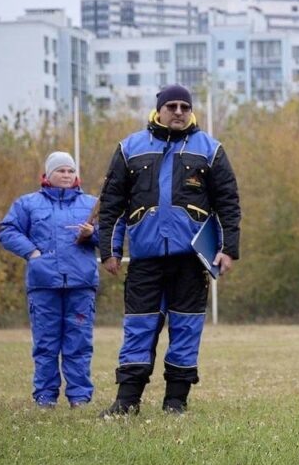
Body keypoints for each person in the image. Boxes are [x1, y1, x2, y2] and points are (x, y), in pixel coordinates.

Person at [96, 84, 241, 416]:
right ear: (158, 110)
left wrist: (228, 249)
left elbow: (229, 205)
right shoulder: (129, 148)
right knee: (139, 328)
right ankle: (127, 401)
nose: (178, 111)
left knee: (186, 329)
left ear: (191, 111)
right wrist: (110, 250)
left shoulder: (211, 149)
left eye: (184, 107)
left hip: (191, 262)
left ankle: (176, 401)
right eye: (172, 106)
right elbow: (112, 207)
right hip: (145, 262)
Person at [0, 152, 99, 409]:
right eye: (60, 171)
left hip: (80, 284)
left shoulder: (92, 204)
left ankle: (80, 398)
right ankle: (45, 398)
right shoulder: (28, 204)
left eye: (70, 171)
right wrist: (32, 252)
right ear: (48, 174)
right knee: (45, 344)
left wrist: (93, 234)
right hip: (43, 286)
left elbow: (116, 235)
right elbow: (7, 230)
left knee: (79, 344)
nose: (66, 175)